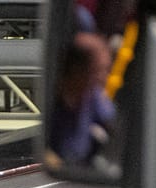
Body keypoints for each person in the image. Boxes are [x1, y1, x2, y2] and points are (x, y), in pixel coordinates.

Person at [47, 31, 116, 169]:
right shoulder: (51, 104)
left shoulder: (92, 97)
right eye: (98, 71)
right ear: (76, 70)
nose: (104, 78)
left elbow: (113, 124)